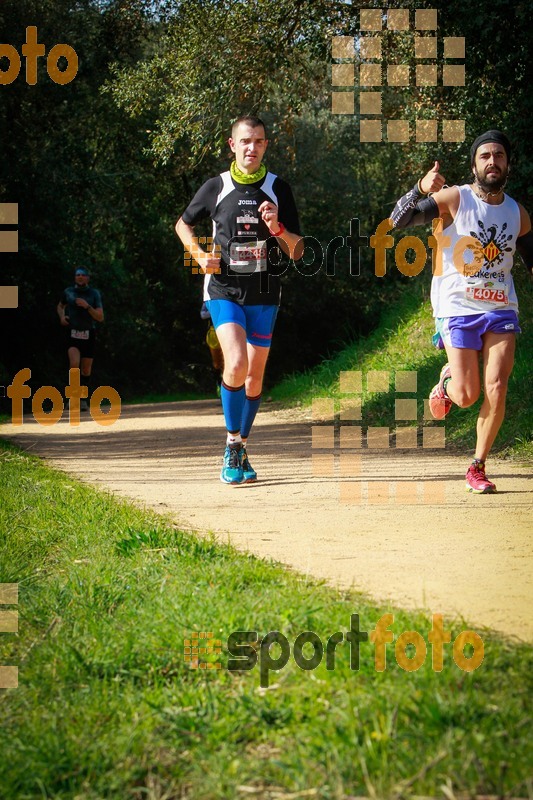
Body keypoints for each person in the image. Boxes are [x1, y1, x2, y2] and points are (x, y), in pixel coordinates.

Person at [391, 130, 533, 493]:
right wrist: (421, 189)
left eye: (499, 156)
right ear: (474, 164)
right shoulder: (456, 199)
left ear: (507, 164)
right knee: (467, 395)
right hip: (457, 307)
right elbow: (398, 222)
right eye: (485, 156)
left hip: (501, 307)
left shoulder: (518, 214)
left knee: (497, 387)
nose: (492, 161)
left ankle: (477, 466)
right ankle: (446, 382)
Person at [176, 115, 303, 484]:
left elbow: (297, 251)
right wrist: (200, 256)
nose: (252, 147)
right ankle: (232, 445)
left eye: (259, 142)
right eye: (245, 141)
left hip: (264, 291)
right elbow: (183, 224)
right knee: (235, 363)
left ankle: (242, 446)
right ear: (233, 145)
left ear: (266, 146)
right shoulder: (217, 185)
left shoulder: (279, 188)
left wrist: (277, 227)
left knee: (255, 375)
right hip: (223, 289)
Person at [57, 266, 104, 411]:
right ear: (75, 277)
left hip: (89, 334)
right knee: (74, 364)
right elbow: (60, 306)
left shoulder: (94, 294)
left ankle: (83, 399)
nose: (80, 277)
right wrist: (62, 317)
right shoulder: (68, 292)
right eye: (78, 275)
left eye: (83, 275)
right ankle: (72, 398)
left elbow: (100, 317)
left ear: (88, 278)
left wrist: (87, 307)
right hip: (73, 333)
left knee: (85, 369)